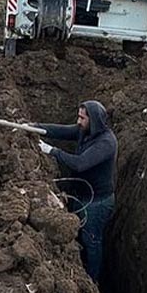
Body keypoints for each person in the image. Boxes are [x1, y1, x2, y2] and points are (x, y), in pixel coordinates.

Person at [34, 101, 117, 282]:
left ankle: (91, 280)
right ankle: (79, 267)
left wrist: (52, 151)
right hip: (80, 196)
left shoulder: (106, 143)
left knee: (91, 241)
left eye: (82, 118)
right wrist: (34, 128)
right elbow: (61, 131)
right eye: (78, 116)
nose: (78, 122)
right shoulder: (85, 131)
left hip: (97, 203)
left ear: (93, 120)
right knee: (78, 236)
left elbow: (80, 164)